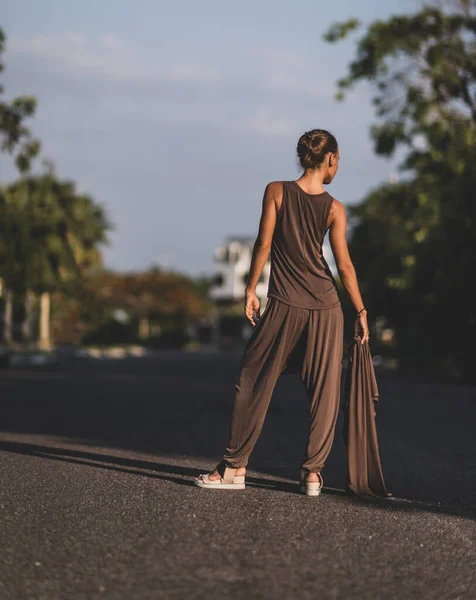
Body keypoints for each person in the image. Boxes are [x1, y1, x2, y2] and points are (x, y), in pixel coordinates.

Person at [195, 129, 369, 495]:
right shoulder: (335, 208)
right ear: (331, 159)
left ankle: (234, 469)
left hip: (286, 302)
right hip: (327, 306)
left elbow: (263, 242)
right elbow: (345, 266)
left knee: (253, 378)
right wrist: (361, 310)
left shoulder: (276, 190)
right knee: (325, 391)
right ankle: (312, 475)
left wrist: (250, 288)